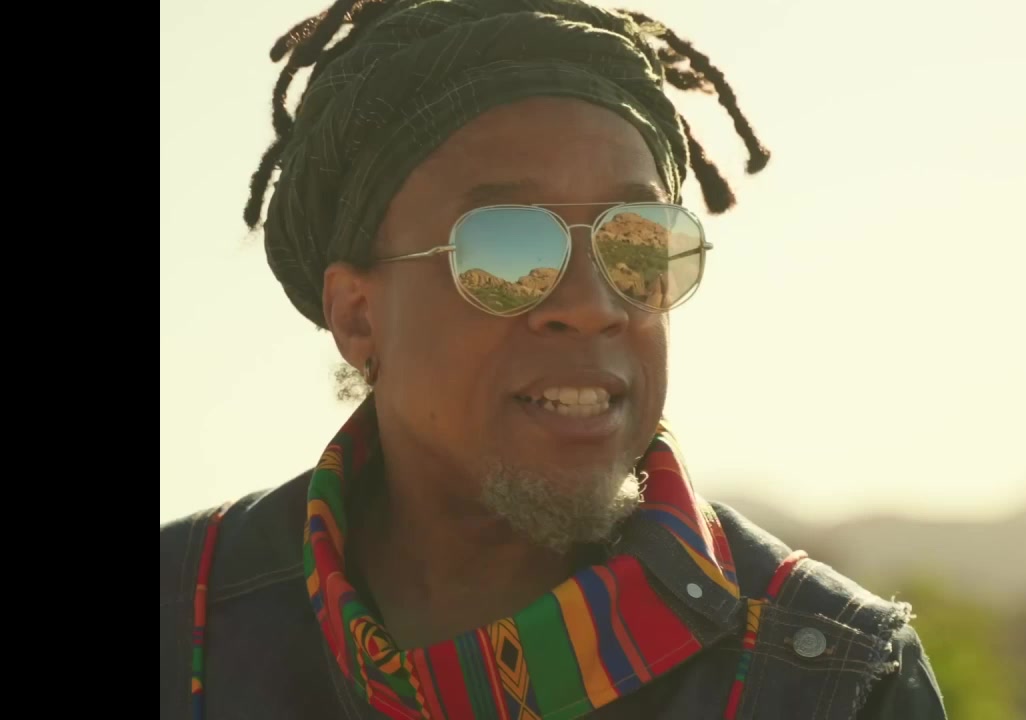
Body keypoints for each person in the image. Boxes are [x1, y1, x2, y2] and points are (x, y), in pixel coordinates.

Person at [158, 1, 949, 718]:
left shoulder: (835, 683)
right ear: (358, 317)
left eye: (638, 246)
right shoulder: (181, 620)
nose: (594, 305)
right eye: (507, 247)